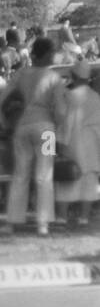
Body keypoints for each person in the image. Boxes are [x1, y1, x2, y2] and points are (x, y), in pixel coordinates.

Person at [0, 36, 67, 235]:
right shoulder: (54, 78)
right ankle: (42, 223)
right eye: (52, 53)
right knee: (44, 175)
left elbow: (2, 99)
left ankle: (12, 222)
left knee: (20, 175)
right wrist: (58, 128)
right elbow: (60, 110)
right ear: (46, 55)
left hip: (22, 127)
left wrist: (3, 121)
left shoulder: (21, 74)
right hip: (46, 129)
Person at [55, 62, 100, 226]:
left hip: (72, 139)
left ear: (73, 76)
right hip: (92, 142)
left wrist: (58, 143)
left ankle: (61, 216)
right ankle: (84, 217)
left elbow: (61, 119)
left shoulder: (68, 96)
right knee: (89, 179)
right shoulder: (96, 97)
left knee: (67, 177)